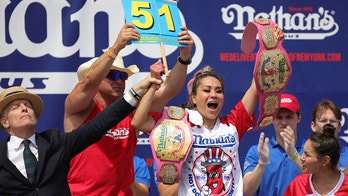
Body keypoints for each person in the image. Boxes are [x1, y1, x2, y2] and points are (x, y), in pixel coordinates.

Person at [64, 22, 193, 195]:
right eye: (112, 75)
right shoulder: (80, 108)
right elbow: (88, 83)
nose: (119, 81)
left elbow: (168, 90)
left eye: (123, 76)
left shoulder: (131, 110)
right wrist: (116, 47)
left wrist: (184, 56)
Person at [0, 70, 161, 195]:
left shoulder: (56, 143)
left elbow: (99, 124)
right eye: (16, 107)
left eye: (28, 105)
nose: (24, 108)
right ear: (5, 122)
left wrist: (137, 90)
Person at [132, 64, 259, 195]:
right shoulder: (178, 124)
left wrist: (267, 50)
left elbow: (255, 88)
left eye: (219, 91)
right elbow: (139, 122)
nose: (214, 95)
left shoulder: (233, 124)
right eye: (207, 90)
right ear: (193, 98)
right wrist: (153, 85)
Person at [243, 94, 306, 196]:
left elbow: (320, 182)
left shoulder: (311, 150)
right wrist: (262, 163)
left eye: (289, 117)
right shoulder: (256, 152)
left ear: (298, 117)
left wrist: (293, 154)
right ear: (272, 119)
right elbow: (247, 191)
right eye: (279, 117)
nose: (284, 122)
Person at [284, 124, 348, 195]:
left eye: (307, 155)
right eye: (303, 152)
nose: (301, 158)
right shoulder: (297, 184)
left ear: (325, 160)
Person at [310, 99, 348, 169]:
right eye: (323, 121)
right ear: (313, 126)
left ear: (339, 126)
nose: (328, 124)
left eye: (332, 121)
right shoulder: (304, 155)